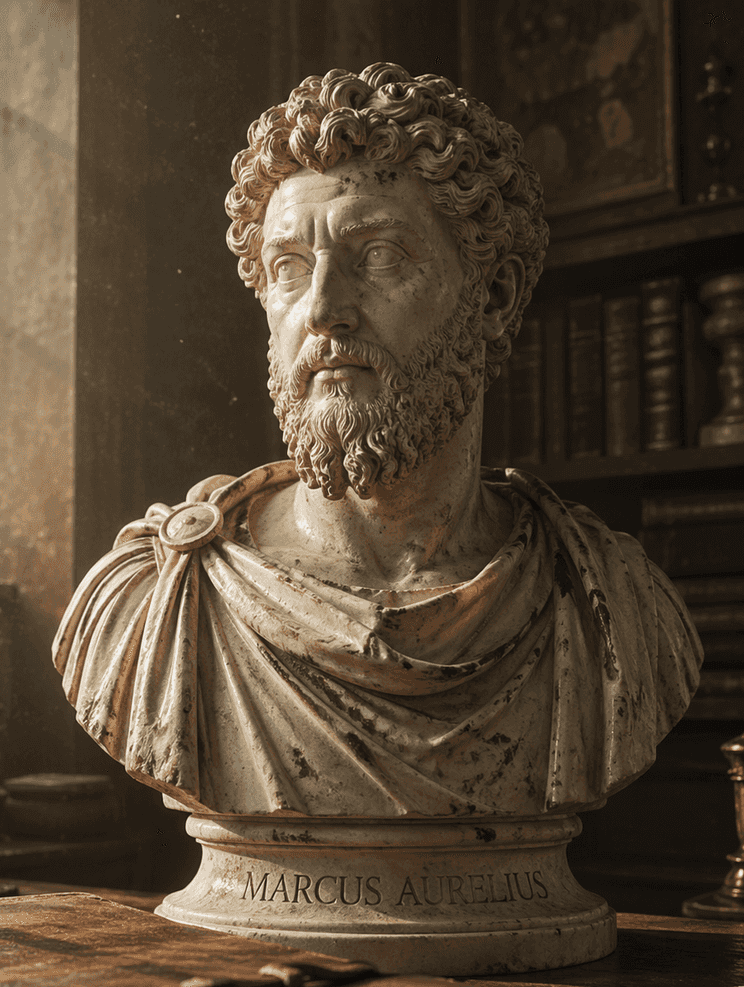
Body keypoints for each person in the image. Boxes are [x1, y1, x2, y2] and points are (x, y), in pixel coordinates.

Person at [54, 63, 701, 823]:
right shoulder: (157, 601)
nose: (324, 310)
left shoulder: (610, 604)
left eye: (380, 257)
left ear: (491, 298)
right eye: (289, 269)